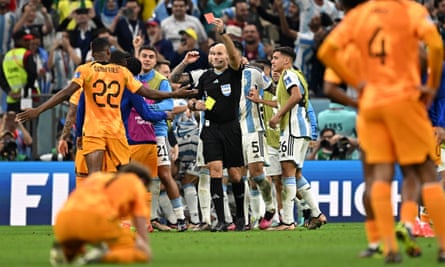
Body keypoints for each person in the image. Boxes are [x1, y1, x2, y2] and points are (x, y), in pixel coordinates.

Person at [317, 0, 445, 263]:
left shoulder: (357, 19)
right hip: (405, 101)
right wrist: (430, 86)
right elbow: (435, 47)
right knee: (425, 172)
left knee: (379, 175)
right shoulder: (410, 11)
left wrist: (358, 85)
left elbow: (326, 52)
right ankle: (442, 245)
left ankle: (387, 248)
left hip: (372, 106)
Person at [16, 37, 197, 175]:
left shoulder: (85, 70)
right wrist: (175, 93)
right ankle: (126, 220)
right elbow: (147, 93)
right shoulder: (122, 72)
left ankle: (97, 221)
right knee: (125, 177)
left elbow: (67, 94)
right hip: (116, 131)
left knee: (95, 178)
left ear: (92, 53)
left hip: (94, 131)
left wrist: (38, 110)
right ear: (108, 53)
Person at [187, 18, 246, 231]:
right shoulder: (205, 77)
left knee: (236, 175)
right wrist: (195, 105)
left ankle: (240, 217)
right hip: (211, 129)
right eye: (212, 54)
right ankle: (221, 220)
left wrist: (223, 34)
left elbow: (233, 56)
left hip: (231, 127)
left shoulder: (234, 71)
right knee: (215, 171)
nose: (215, 57)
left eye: (219, 53)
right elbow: (193, 100)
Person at [132, 38, 188, 231]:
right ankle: (145, 219)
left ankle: (180, 218)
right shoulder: (131, 78)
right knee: (136, 177)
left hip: (158, 133)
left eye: (150, 57)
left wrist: (144, 107)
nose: (147, 60)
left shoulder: (161, 81)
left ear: (155, 61)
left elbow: (168, 105)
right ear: (138, 58)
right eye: (144, 56)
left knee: (164, 175)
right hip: (135, 135)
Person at [49, 162, 153, 265]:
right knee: (140, 253)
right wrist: (144, 244)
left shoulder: (96, 177)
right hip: (97, 219)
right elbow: (139, 217)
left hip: (63, 220)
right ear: (142, 180)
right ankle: (103, 256)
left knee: (78, 239)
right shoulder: (134, 181)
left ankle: (66, 250)